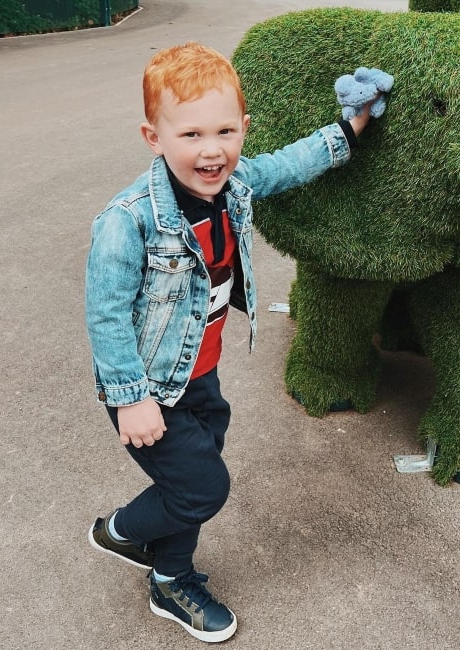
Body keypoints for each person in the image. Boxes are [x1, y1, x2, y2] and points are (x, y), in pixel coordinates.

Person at [85, 41, 380, 643]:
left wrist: (350, 129)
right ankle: (119, 530)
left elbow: (286, 165)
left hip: (202, 376)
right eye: (190, 134)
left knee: (189, 486)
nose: (212, 150)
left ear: (243, 128)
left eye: (224, 131)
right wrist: (131, 399)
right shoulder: (128, 219)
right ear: (153, 137)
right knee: (203, 487)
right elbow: (107, 316)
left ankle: (171, 581)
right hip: (150, 389)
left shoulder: (237, 180)